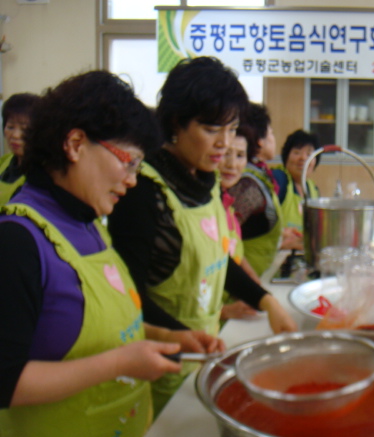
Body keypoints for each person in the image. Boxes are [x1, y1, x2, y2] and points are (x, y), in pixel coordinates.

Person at [0, 71, 214, 437]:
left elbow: (104, 324)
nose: (132, 181)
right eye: (129, 162)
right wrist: (119, 362)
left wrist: (169, 337)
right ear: (76, 144)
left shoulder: (88, 223)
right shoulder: (17, 241)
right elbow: (5, 380)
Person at [108, 57, 297, 414]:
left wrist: (267, 301)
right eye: (212, 129)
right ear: (176, 124)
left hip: (202, 356)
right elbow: (127, 298)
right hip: (159, 366)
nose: (224, 144)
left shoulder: (203, 179)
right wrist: (180, 337)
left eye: (233, 129)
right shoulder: (144, 192)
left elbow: (214, 261)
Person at [227, 103, 286, 276]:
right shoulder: (246, 184)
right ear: (260, 141)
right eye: (271, 133)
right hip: (236, 293)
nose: (231, 164)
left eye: (239, 155)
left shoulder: (259, 175)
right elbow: (226, 244)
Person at [218, 127, 262, 320]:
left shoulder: (227, 204)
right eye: (226, 154)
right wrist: (223, 312)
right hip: (206, 322)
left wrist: (252, 282)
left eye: (240, 156)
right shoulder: (203, 208)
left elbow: (232, 254)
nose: (232, 164)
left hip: (231, 308)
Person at [272, 128, 321, 250]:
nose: (303, 158)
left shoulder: (313, 189)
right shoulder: (278, 180)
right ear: (286, 156)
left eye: (309, 154)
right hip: (278, 254)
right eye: (297, 152)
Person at [0, 92, 39, 204]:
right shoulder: (4, 162)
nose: (16, 135)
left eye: (25, 129)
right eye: (11, 127)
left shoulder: (43, 172)